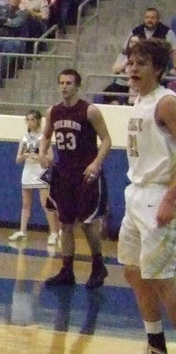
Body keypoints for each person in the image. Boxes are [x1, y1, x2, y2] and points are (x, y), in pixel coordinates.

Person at [116, 38, 176, 354]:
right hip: (136, 193)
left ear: (158, 68)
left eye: (141, 63)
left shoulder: (166, 103)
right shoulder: (139, 100)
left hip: (159, 195)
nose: (132, 68)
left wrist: (171, 198)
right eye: (130, 62)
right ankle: (156, 351)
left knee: (164, 277)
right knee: (134, 272)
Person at [39, 68, 111, 288]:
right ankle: (66, 270)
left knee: (88, 223)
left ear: (77, 86)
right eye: (61, 82)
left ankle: (98, 266)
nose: (64, 86)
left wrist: (96, 163)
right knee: (65, 224)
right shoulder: (53, 111)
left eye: (69, 83)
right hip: (63, 173)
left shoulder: (90, 111)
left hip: (85, 173)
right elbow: (46, 135)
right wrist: (44, 153)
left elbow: (107, 140)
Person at [10, 110, 60, 245]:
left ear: (38, 121)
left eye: (32, 119)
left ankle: (54, 232)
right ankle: (22, 231)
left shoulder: (44, 137)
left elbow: (51, 158)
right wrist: (25, 156)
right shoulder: (25, 137)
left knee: (46, 204)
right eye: (28, 119)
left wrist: (39, 157)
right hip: (27, 172)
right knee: (26, 204)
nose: (30, 122)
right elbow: (17, 159)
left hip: (40, 172)